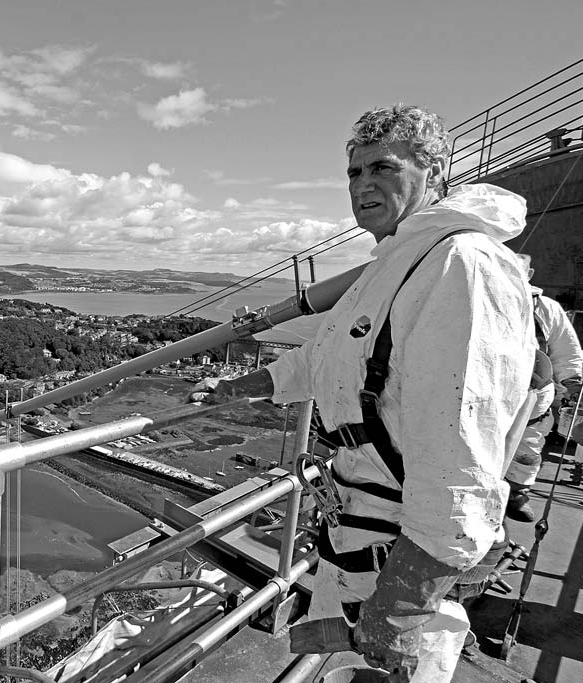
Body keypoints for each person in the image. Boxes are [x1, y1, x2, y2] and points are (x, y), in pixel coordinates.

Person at [190, 104, 534, 682]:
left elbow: (462, 455)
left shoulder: (460, 265)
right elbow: (336, 358)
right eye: (353, 172)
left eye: (383, 167)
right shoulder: (399, 261)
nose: (362, 184)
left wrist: (401, 607)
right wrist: (247, 385)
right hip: (365, 533)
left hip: (399, 553)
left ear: (436, 171)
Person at [504, 264, 583, 522]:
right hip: (488, 394)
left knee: (527, 448)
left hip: (534, 397)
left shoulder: (546, 308)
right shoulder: (481, 298)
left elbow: (566, 348)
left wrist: (573, 383)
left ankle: (516, 494)